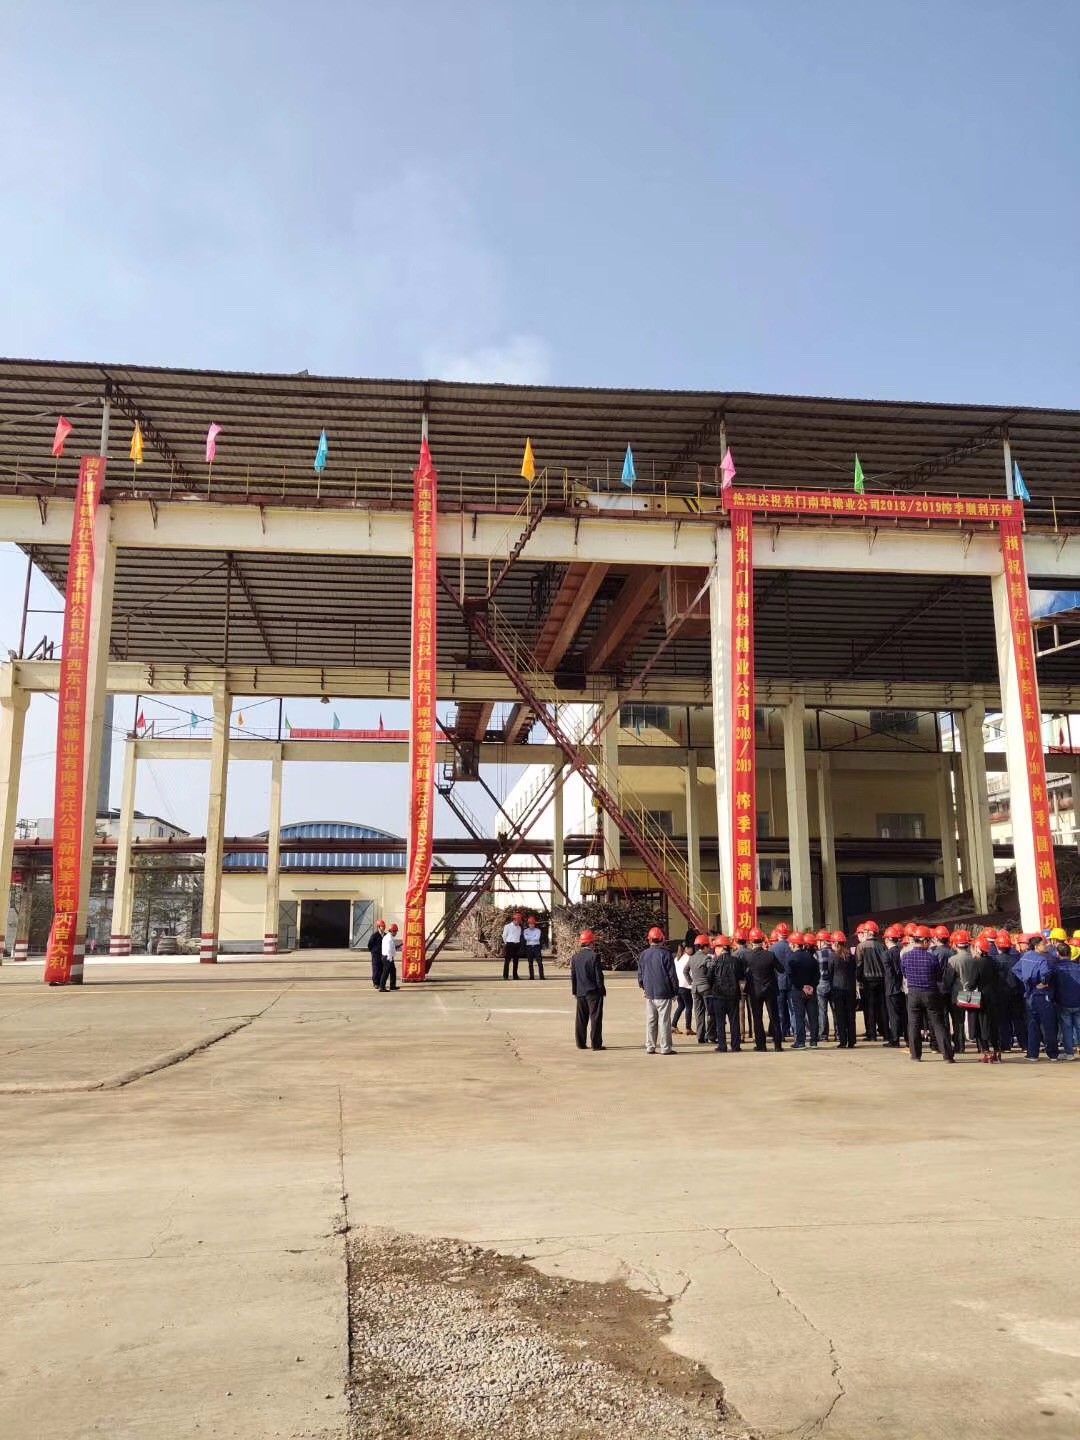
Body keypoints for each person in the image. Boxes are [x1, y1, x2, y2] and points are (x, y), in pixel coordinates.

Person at [942, 930, 1000, 1062]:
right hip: (991, 996)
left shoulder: (955, 960)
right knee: (989, 1024)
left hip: (968, 995)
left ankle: (964, 1046)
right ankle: (993, 1050)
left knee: (969, 1023)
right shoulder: (992, 961)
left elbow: (957, 981)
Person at [900, 926, 954, 1062]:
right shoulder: (932, 958)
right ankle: (947, 1055)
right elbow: (938, 976)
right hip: (930, 993)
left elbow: (905, 974)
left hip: (913, 994)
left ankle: (915, 1055)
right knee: (938, 1024)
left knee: (913, 1024)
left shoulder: (905, 957)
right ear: (924, 941)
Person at [1013, 937, 1059, 1062]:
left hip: (1029, 995)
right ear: (1036, 946)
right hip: (1043, 995)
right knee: (1048, 1025)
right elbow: (1046, 974)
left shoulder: (1025, 956)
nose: (1045, 945)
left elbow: (1015, 969)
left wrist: (1025, 980)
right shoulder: (1042, 959)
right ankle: (1053, 1054)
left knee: (1033, 1025)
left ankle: (1032, 1054)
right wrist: (1043, 982)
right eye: (1043, 944)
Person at [637, 925, 679, 1055]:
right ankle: (665, 1048)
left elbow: (640, 974)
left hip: (650, 993)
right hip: (664, 993)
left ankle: (650, 1046)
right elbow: (672, 975)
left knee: (651, 1020)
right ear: (662, 939)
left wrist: (644, 987)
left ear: (649, 940)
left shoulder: (643, 954)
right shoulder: (666, 954)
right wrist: (675, 992)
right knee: (664, 1021)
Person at [744, 927, 784, 1052]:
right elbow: (781, 969)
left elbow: (744, 973)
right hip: (770, 990)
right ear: (762, 941)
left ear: (751, 942)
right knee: (774, 1017)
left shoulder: (747, 957)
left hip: (755, 991)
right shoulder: (770, 955)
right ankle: (777, 1045)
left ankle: (761, 1045)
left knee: (757, 1018)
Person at [570, 928, 606, 1050]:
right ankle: (596, 1044)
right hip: (593, 992)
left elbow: (573, 976)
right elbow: (598, 976)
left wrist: (574, 991)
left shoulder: (575, 957)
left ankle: (580, 1043)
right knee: (595, 1017)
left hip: (580, 991)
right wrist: (602, 990)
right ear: (591, 942)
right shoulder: (594, 956)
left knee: (581, 1018)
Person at [992, 929, 1026, 1052]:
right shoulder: (1016, 960)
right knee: (1018, 1020)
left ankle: (1006, 1045)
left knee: (1003, 1020)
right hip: (1015, 993)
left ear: (998, 946)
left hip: (1000, 994)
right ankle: (1024, 1044)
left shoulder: (994, 961)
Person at [708, 937, 745, 1052]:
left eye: (716, 948)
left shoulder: (715, 962)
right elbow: (741, 976)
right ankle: (735, 1045)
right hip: (733, 995)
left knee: (720, 1022)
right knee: (734, 1022)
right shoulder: (736, 961)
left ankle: (722, 1046)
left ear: (721, 948)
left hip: (718, 996)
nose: (715, 950)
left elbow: (709, 979)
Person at [855, 922, 888, 1042]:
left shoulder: (861, 947)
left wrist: (858, 979)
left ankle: (872, 1034)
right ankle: (885, 1033)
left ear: (867, 932)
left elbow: (859, 965)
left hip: (867, 981)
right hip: (881, 979)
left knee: (869, 1008)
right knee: (882, 1007)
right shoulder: (882, 946)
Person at [787, 933, 819, 1049]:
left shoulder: (792, 959)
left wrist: (802, 987)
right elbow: (817, 974)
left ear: (795, 945)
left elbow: (791, 977)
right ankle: (814, 1041)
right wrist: (812, 986)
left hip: (797, 991)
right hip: (811, 991)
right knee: (813, 1016)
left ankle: (800, 1041)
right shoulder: (811, 958)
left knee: (799, 1016)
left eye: (791, 943)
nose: (789, 945)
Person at [829, 932, 858, 1048]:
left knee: (840, 1015)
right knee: (851, 1015)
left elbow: (830, 973)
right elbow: (854, 970)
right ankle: (852, 1041)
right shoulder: (850, 956)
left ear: (835, 943)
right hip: (850, 989)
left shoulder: (833, 957)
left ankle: (843, 1041)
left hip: (838, 989)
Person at [1053, 941, 1080, 1060]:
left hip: (1063, 1002)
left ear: (1058, 954)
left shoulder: (1056, 968)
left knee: (1066, 1028)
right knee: (1079, 1027)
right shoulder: (1078, 967)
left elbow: (1053, 985)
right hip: (1078, 1001)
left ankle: (1069, 1053)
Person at [688, 934, 715, 1044]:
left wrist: (691, 982)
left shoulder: (692, 958)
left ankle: (700, 1036)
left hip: (695, 988)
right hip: (706, 988)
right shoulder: (707, 958)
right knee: (710, 1012)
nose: (709, 948)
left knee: (699, 1013)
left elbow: (685, 971)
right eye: (708, 946)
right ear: (704, 947)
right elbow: (712, 969)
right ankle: (711, 1035)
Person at [882, 924, 906, 1048]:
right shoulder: (902, 951)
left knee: (893, 1015)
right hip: (902, 987)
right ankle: (907, 1038)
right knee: (903, 1013)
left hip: (891, 988)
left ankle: (895, 1039)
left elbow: (889, 972)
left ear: (887, 940)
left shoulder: (886, 954)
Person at [772, 926, 794, 1039]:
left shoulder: (773, 948)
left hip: (778, 983)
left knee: (780, 1010)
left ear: (778, 934)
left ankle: (781, 1034)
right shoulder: (792, 946)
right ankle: (796, 1033)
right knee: (793, 1010)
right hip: (791, 982)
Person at [672, 945, 694, 1036]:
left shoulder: (676, 959)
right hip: (686, 986)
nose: (692, 950)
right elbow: (691, 973)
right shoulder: (689, 958)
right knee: (689, 1007)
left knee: (681, 1005)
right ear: (686, 949)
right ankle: (688, 1028)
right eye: (691, 948)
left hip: (678, 986)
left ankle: (673, 1025)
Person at [502, 911, 523, 980]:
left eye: (519, 921)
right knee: (507, 961)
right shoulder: (507, 926)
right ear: (514, 920)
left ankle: (515, 976)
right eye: (518, 921)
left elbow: (519, 936)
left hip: (517, 945)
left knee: (516, 961)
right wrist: (506, 943)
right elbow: (504, 936)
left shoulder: (519, 927)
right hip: (509, 944)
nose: (518, 922)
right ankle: (505, 976)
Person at [522, 915, 545, 980]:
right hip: (529, 947)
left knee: (539, 962)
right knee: (530, 963)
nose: (531, 925)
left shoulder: (538, 930)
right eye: (530, 924)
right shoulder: (525, 931)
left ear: (534, 924)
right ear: (528, 924)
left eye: (532, 924)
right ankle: (531, 976)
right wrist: (533, 937)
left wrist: (530, 938)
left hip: (536, 947)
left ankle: (542, 976)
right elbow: (526, 938)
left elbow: (537, 938)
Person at [378, 923, 399, 991]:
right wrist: (390, 959)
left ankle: (392, 986)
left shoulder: (388, 937)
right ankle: (382, 987)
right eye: (395, 931)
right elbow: (388, 949)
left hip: (388, 957)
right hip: (387, 957)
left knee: (393, 971)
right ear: (392, 931)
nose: (396, 933)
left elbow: (391, 948)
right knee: (385, 972)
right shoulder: (389, 938)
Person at [368, 919, 386, 989]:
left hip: (383, 955)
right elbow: (369, 945)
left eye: (384, 926)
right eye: (382, 926)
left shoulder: (386, 935)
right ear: (378, 927)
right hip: (376, 955)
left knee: (382, 969)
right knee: (376, 969)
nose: (384, 927)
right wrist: (373, 952)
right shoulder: (374, 935)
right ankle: (376, 983)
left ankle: (381, 983)